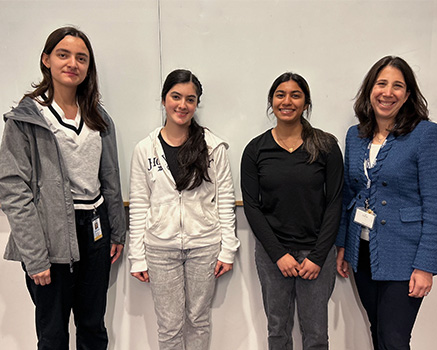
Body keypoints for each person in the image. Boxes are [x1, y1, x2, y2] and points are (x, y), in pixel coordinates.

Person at [0, 26, 126, 350]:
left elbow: (109, 178)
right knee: (54, 335)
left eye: (81, 58)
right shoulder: (27, 118)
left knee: (93, 328)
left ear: (88, 67)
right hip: (51, 237)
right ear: (46, 60)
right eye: (63, 54)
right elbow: (13, 188)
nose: (73, 63)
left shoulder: (99, 118)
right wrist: (34, 255)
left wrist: (117, 232)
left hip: (95, 233)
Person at [336, 56, 437, 350]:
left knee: (395, 338)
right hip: (362, 252)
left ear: (408, 94)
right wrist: (342, 245)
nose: (388, 92)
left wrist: (426, 266)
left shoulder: (427, 135)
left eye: (397, 86)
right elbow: (349, 194)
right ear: (369, 90)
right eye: (381, 84)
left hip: (405, 256)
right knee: (378, 331)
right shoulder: (355, 135)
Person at [128, 69, 240, 350]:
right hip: (160, 248)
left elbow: (225, 200)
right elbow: (140, 203)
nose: (182, 105)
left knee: (198, 320)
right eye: (175, 97)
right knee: (169, 326)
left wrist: (228, 249)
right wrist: (137, 256)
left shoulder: (213, 148)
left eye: (190, 99)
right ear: (164, 100)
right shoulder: (145, 149)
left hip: (205, 246)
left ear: (197, 104)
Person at [241, 72, 344, 350]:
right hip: (273, 255)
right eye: (280, 94)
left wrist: (318, 256)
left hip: (316, 254)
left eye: (295, 95)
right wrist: (279, 255)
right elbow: (251, 206)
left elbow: (335, 202)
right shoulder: (255, 150)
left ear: (306, 103)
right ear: (271, 101)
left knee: (316, 336)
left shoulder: (325, 146)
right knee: (277, 332)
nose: (287, 101)